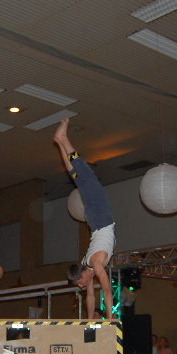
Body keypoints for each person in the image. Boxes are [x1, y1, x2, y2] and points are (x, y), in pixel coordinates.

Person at [54, 118, 114, 319]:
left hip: (100, 216)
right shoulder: (86, 265)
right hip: (95, 220)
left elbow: (106, 290)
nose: (82, 286)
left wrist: (110, 319)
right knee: (79, 179)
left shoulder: (95, 264)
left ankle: (63, 139)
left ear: (81, 275)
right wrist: (89, 321)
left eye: (80, 283)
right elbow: (91, 296)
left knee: (85, 175)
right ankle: (60, 142)